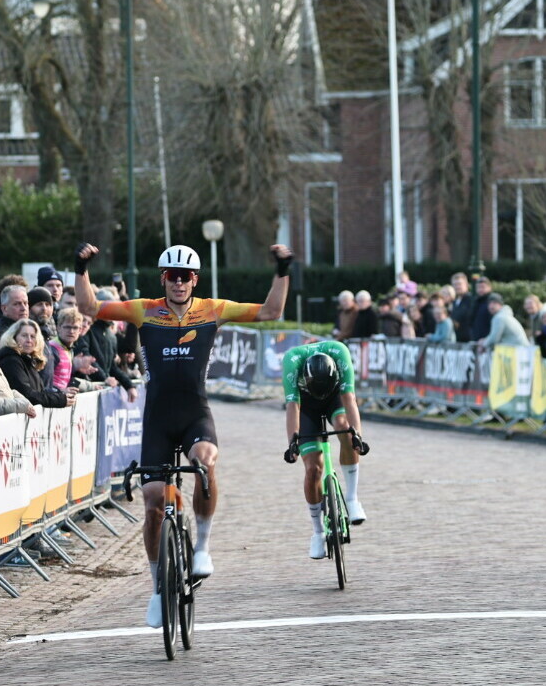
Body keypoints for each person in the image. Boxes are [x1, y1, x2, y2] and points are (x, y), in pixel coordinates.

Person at [76, 241, 291, 628]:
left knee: (206, 464)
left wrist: (282, 270)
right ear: (164, 278)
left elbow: (272, 311)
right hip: (158, 418)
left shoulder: (213, 310)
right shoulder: (144, 310)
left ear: (195, 279)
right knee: (154, 502)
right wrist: (81, 269)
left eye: (185, 277)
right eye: (172, 276)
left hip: (195, 413)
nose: (178, 283)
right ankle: (159, 587)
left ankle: (203, 545)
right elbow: (89, 308)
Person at [281, 342, 368, 561]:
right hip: (306, 403)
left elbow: (350, 399)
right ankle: (318, 532)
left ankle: (352, 498)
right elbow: (293, 407)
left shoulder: (341, 354)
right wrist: (293, 441)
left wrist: (357, 434)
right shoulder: (292, 361)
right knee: (313, 469)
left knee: (343, 427)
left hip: (334, 397)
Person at [0, 318, 75, 409]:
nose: (29, 340)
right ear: (14, 337)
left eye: (32, 336)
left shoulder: (27, 360)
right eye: (24, 335)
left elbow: (40, 392)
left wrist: (60, 394)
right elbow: (26, 395)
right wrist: (59, 400)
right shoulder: (11, 361)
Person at [72, 291, 138, 398]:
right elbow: (86, 358)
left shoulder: (111, 335)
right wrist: (104, 378)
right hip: (88, 391)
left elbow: (112, 367)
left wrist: (129, 385)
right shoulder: (87, 329)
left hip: (102, 392)